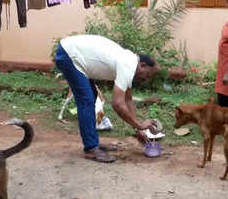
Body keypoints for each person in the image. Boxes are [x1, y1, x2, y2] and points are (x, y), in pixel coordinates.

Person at [55, 34, 158, 163]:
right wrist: (139, 125)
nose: (145, 79)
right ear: (142, 65)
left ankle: (93, 144)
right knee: (86, 100)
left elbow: (128, 99)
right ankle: (91, 148)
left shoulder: (129, 62)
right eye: (147, 75)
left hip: (72, 53)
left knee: (90, 98)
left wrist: (138, 129)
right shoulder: (129, 64)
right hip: (69, 55)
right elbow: (118, 104)